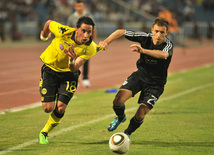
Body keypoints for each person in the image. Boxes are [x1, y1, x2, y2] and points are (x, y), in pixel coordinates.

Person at [99, 17, 173, 137]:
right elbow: (120, 32)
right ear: (152, 30)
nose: (158, 35)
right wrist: (106, 42)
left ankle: (126, 134)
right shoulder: (145, 37)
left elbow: (164, 55)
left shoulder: (168, 45)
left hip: (156, 84)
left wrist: (143, 51)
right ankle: (120, 117)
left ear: (166, 33)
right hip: (140, 75)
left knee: (141, 113)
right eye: (156, 31)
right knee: (118, 100)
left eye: (162, 32)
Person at [38, 16, 102, 144]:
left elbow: (74, 68)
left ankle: (44, 132)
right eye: (84, 31)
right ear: (77, 29)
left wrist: (71, 61)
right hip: (50, 70)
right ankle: (53, 93)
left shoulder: (90, 48)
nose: (86, 35)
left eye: (89, 32)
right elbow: (49, 23)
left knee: (60, 108)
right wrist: (44, 36)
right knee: (47, 108)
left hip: (69, 75)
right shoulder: (63, 31)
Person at [67, 0, 97, 87]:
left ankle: (85, 78)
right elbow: (68, 29)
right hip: (74, 43)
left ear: (84, 7)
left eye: (80, 6)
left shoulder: (89, 16)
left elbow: (94, 29)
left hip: (86, 42)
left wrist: (94, 41)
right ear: (75, 7)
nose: (79, 8)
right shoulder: (71, 17)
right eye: (77, 6)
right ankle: (74, 79)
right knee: (73, 60)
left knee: (85, 60)